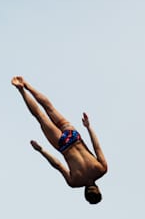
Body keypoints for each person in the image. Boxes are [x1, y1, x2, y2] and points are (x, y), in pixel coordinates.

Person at [11, 76, 107, 204]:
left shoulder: (102, 169)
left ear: (98, 190)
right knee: (40, 116)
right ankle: (21, 90)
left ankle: (27, 85)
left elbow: (97, 147)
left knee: (50, 108)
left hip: (74, 136)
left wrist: (88, 127)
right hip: (63, 145)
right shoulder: (74, 182)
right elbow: (57, 165)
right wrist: (41, 150)